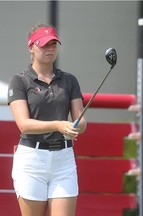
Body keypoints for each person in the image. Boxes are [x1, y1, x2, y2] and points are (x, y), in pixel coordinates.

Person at [7, 23, 87, 216]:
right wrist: (58, 125)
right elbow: (23, 124)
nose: (50, 48)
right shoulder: (20, 81)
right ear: (31, 47)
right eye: (44, 44)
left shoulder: (69, 80)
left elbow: (81, 120)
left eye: (53, 44)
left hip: (64, 159)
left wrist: (78, 126)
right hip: (32, 160)